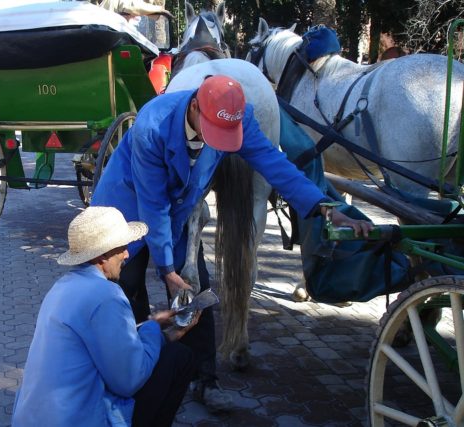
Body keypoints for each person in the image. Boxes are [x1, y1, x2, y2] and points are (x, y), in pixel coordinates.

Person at [91, 75, 373, 412]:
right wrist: (167, 268)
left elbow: (275, 165)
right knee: (127, 285)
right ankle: (131, 376)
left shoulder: (239, 118)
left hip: (177, 207)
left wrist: (324, 206)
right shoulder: (154, 122)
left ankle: (204, 379)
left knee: (195, 291)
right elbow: (153, 204)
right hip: (128, 201)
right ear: (195, 107)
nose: (221, 142)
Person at [12, 206, 200, 427]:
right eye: (122, 247)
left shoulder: (62, 286)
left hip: (30, 419)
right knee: (180, 357)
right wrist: (162, 332)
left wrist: (152, 325)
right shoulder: (107, 295)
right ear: (102, 255)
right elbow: (129, 380)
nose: (127, 254)